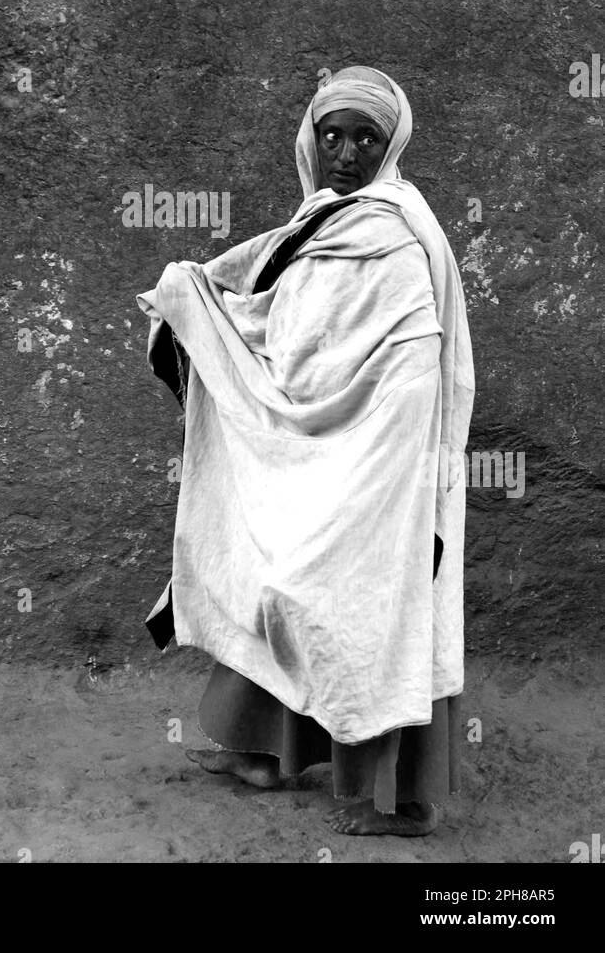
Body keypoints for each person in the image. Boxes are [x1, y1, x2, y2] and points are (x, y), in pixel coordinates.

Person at [136, 66, 475, 836]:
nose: (347, 153)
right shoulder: (321, 219)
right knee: (273, 577)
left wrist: (376, 466)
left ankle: (406, 802)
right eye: (332, 135)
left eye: (367, 139)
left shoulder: (395, 234)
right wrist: (201, 306)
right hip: (315, 450)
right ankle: (262, 752)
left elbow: (417, 358)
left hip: (382, 470)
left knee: (367, 607)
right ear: (309, 141)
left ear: (392, 148)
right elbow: (279, 322)